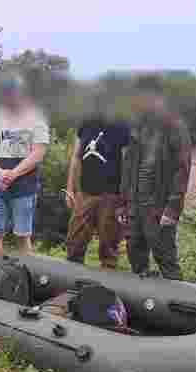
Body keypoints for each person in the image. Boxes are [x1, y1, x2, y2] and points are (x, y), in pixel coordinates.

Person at [118, 81, 192, 280]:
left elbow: (182, 170)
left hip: (158, 208)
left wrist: (173, 209)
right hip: (134, 207)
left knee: (167, 261)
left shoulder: (175, 126)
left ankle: (176, 297)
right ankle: (143, 298)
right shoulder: (137, 126)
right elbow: (127, 167)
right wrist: (123, 204)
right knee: (135, 257)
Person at [0, 74, 50, 256]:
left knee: (22, 236)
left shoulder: (36, 119)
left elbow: (38, 153)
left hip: (24, 187)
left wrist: (13, 173)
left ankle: (25, 272)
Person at [65, 97, 132, 270]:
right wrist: (71, 189)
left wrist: (125, 198)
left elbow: (128, 162)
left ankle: (106, 284)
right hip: (85, 192)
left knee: (109, 249)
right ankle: (72, 281)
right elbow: (76, 157)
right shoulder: (86, 123)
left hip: (111, 195)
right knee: (74, 243)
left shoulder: (122, 125)